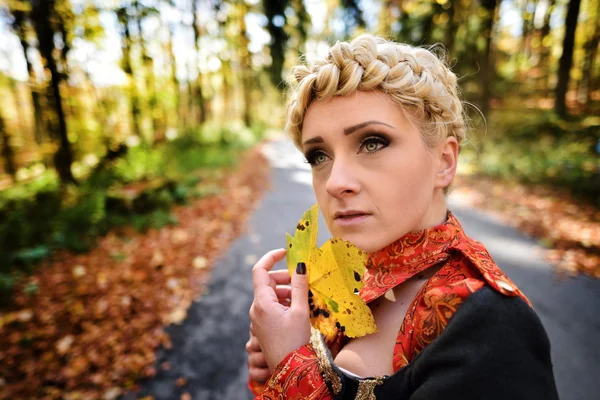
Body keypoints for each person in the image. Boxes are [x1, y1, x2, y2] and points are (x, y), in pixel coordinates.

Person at [246, 34, 558, 399]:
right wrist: (279, 359)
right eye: (319, 156)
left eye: (372, 142)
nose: (335, 182)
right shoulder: (339, 282)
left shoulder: (493, 325)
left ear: (444, 162)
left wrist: (289, 365)